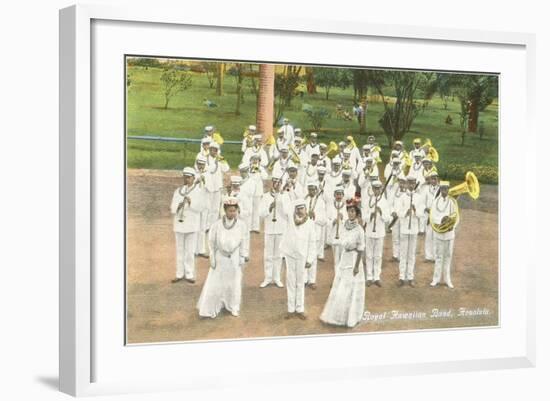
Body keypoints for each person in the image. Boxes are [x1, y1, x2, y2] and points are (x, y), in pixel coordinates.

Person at [197, 197, 248, 318]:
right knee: (216, 282)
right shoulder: (217, 225)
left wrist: (242, 256)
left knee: (234, 282)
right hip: (220, 257)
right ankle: (212, 307)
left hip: (234, 257)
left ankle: (233, 306)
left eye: (234, 211)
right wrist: (212, 257)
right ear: (225, 211)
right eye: (230, 211)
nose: (232, 213)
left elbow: (244, 241)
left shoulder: (241, 225)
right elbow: (211, 242)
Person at [320, 199, 365, 328]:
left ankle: (351, 317)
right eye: (349, 211)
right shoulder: (345, 225)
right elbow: (338, 240)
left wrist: (356, 266)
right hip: (345, 258)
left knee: (351, 287)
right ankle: (338, 316)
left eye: (352, 211)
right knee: (341, 286)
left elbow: (361, 249)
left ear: (357, 213)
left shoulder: (360, 230)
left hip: (354, 259)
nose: (350, 214)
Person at [280, 198, 316, 320]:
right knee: (290, 281)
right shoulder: (291, 219)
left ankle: (299, 309)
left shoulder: (310, 223)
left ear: (306, 210)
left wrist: (310, 259)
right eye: (298, 209)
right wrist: (285, 191)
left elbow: (312, 242)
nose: (300, 211)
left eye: (302, 208)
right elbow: (285, 208)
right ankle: (290, 309)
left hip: (302, 256)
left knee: (300, 282)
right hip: (290, 254)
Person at [170, 167, 207, 284]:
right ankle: (179, 273)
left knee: (190, 251)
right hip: (179, 224)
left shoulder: (199, 192)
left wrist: (191, 203)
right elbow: (172, 208)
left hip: (191, 224)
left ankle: (189, 273)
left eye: (189, 177)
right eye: (185, 177)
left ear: (193, 178)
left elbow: (201, 208)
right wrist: (178, 206)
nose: (186, 179)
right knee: (179, 250)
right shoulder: (178, 191)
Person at [258, 175, 287, 288]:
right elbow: (260, 213)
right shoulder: (265, 197)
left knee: (278, 255)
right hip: (269, 229)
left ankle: (277, 278)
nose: (277, 185)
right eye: (275, 182)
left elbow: (287, 213)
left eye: (279, 183)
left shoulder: (284, 197)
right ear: (272, 183)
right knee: (268, 255)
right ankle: (268, 277)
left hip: (280, 228)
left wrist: (280, 204)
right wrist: (269, 208)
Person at [395, 176, 424, 287]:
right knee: (403, 254)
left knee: (411, 254)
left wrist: (415, 210)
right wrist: (405, 213)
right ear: (406, 184)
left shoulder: (419, 197)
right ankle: (402, 277)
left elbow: (421, 214)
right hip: (404, 228)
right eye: (409, 183)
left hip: (414, 229)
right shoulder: (402, 197)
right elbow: (398, 211)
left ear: (415, 184)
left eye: (413, 183)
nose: (411, 185)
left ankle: (410, 277)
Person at [430, 181, 458, 288]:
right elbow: (433, 216)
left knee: (448, 256)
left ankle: (447, 279)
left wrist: (452, 225)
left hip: (449, 233)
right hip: (439, 233)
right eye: (442, 189)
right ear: (440, 190)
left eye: (446, 189)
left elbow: (456, 216)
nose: (444, 191)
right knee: (438, 256)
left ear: (448, 189)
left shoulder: (453, 202)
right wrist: (441, 221)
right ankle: (436, 279)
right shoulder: (435, 201)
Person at [362, 180, 390, 287]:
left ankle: (377, 276)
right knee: (369, 255)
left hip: (379, 231)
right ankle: (369, 276)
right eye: (375, 188)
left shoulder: (384, 201)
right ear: (372, 189)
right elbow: (364, 216)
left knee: (378, 255)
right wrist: (370, 215)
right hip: (369, 230)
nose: (377, 190)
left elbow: (387, 218)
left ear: (381, 189)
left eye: (379, 188)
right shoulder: (368, 200)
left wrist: (381, 212)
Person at [304, 181, 327, 289]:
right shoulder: (304, 200)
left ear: (317, 190)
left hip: (315, 232)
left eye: (313, 189)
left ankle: (311, 280)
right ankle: (304, 279)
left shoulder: (321, 202)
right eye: (310, 189)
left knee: (312, 256)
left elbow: (324, 221)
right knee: (304, 255)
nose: (311, 191)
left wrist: (315, 216)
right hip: (304, 232)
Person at [205, 142, 230, 228]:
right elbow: (209, 170)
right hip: (208, 186)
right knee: (208, 206)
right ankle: (206, 225)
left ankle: (213, 225)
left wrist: (222, 160)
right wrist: (216, 162)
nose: (214, 152)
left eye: (216, 150)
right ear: (209, 150)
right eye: (212, 150)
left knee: (215, 208)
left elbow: (226, 169)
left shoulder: (220, 159)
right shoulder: (205, 159)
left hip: (218, 185)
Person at [326, 184, 346, 271]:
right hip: (334, 235)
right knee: (336, 260)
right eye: (337, 194)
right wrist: (332, 222)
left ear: (343, 195)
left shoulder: (346, 207)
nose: (338, 196)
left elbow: (349, 221)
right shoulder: (330, 207)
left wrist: (343, 219)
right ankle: (336, 280)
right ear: (334, 195)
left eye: (340, 194)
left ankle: (342, 280)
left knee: (343, 259)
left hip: (343, 235)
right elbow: (326, 220)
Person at [194, 155, 210, 257]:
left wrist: (204, 181)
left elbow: (211, 188)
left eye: (202, 164)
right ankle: (194, 250)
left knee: (203, 227)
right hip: (195, 204)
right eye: (199, 164)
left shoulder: (208, 175)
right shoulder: (193, 174)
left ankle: (201, 250)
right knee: (195, 226)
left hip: (204, 203)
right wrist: (196, 181)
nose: (201, 166)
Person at [422, 171, 440, 261]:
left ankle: (435, 256)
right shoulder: (425, 189)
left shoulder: (440, 190)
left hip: (436, 215)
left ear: (438, 180)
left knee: (436, 236)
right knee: (428, 235)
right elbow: (422, 202)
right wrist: (426, 208)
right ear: (430, 180)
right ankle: (428, 256)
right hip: (428, 215)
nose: (434, 180)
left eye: (435, 179)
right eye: (432, 179)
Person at [248, 154, 268, 233]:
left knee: (256, 209)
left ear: (259, 161)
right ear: (251, 160)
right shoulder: (248, 168)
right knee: (249, 209)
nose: (255, 161)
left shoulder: (262, 168)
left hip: (257, 191)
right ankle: (248, 227)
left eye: (257, 160)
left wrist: (259, 170)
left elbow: (265, 177)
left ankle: (255, 227)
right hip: (249, 191)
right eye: (253, 159)